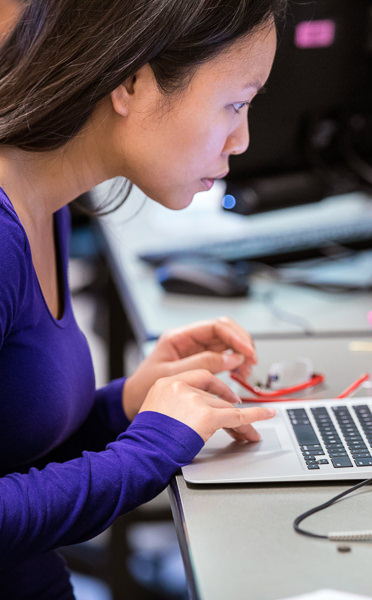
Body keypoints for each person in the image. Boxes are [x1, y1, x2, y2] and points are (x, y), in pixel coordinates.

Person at [0, 0, 286, 597]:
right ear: (132, 83)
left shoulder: (44, 200)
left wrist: (129, 408)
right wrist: (150, 448)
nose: (243, 139)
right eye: (235, 103)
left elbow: (14, 454)